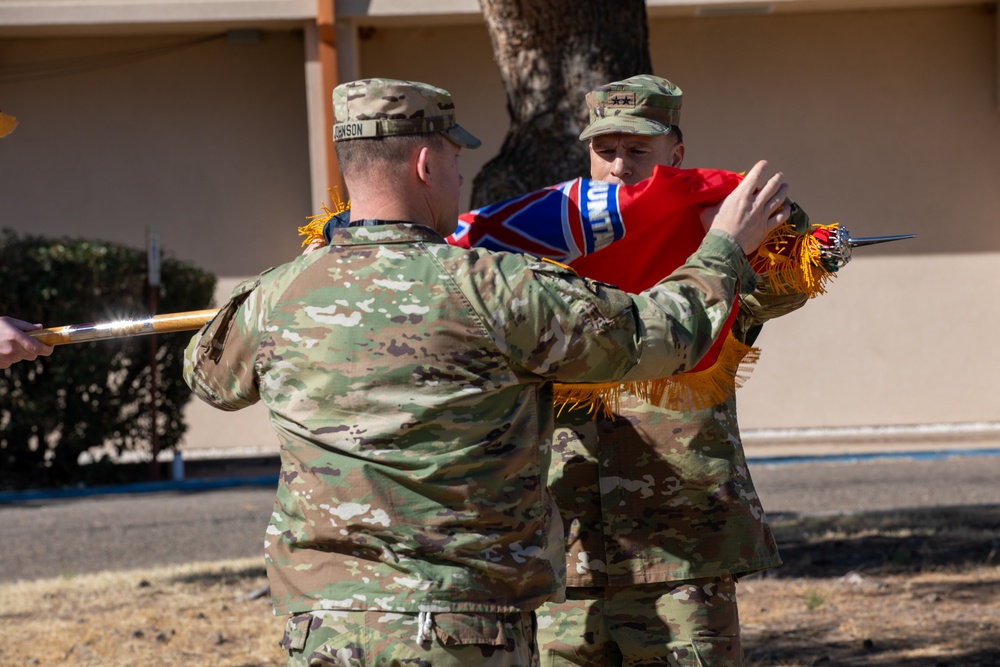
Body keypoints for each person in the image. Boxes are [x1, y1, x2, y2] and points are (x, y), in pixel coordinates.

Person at [184, 77, 793, 666]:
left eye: (636, 151)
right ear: (425, 163)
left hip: (327, 627)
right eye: (454, 156)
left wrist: (294, 292)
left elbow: (207, 378)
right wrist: (722, 250)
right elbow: (658, 334)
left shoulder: (279, 295)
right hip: (459, 624)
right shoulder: (492, 287)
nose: (460, 173)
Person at [535, 75, 812, 666]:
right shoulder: (552, 247)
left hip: (681, 554)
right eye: (604, 151)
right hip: (568, 548)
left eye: (638, 151)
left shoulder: (713, 248)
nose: (618, 166)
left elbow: (783, 284)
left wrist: (753, 223)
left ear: (675, 157)